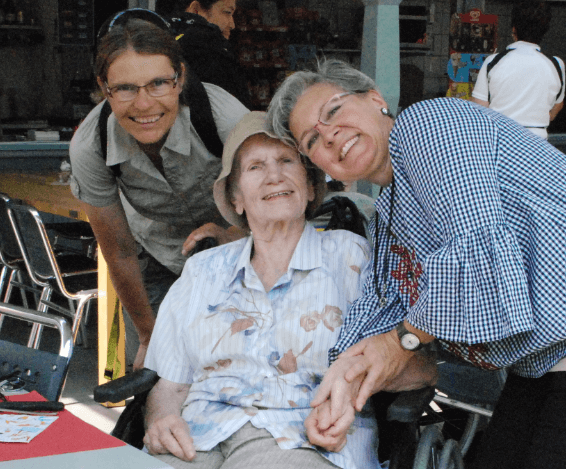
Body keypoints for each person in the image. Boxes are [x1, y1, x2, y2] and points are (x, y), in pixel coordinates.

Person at [266, 59, 566, 469]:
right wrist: (338, 390)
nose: (329, 135)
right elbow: (380, 309)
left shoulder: (425, 125)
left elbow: (477, 253)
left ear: (375, 99)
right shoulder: (389, 215)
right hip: (540, 363)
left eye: (333, 110)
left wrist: (401, 342)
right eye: (312, 140)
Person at [69, 11, 249, 370]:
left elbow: (279, 206)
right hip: (161, 257)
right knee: (160, 376)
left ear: (179, 78)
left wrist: (231, 236)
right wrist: (149, 336)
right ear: (104, 87)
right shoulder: (91, 146)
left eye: (158, 84)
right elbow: (119, 252)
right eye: (125, 88)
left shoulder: (223, 117)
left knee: (239, 370)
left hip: (242, 254)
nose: (144, 104)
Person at [471, 1, 565, 139]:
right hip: (538, 144)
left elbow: (479, 107)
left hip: (501, 141)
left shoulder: (493, 62)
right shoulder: (556, 65)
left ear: (514, 29)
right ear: (544, 31)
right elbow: (557, 107)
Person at [155, 0, 252, 109]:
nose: (232, 24)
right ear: (195, 9)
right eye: (227, 12)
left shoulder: (154, 44)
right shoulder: (211, 50)